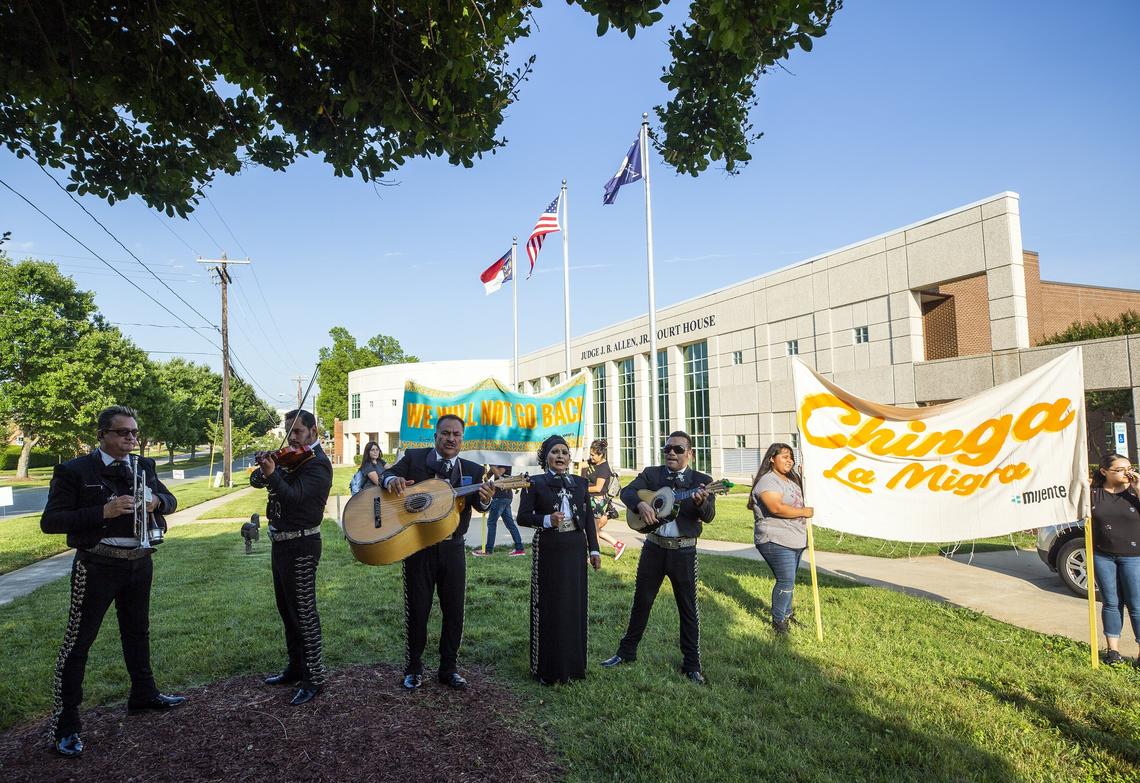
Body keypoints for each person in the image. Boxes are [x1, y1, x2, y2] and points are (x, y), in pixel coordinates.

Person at [40, 405, 187, 758]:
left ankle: (143, 694)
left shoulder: (144, 466)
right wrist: (101, 512)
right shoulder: (74, 470)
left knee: (138, 631)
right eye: (124, 433)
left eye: (134, 433)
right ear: (102, 435)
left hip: (140, 561)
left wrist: (155, 501)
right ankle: (66, 722)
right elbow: (51, 522)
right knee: (79, 641)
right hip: (97, 564)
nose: (132, 439)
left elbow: (171, 500)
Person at [382, 414, 494, 690]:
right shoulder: (414, 458)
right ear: (435, 436)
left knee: (453, 610)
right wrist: (392, 480)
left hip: (454, 548)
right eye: (445, 433)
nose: (451, 438)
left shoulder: (474, 470)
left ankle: (449, 668)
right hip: (418, 547)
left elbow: (480, 507)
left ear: (462, 439)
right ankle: (413, 668)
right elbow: (385, 474)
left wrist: (487, 500)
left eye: (456, 434)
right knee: (418, 610)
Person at [601, 431, 715, 684]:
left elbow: (708, 516)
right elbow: (627, 491)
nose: (671, 453)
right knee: (642, 601)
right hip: (653, 547)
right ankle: (626, 653)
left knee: (687, 608)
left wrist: (700, 503)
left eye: (678, 449)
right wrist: (640, 505)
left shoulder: (702, 481)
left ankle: (692, 664)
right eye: (667, 449)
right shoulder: (653, 474)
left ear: (690, 454)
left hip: (683, 550)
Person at [251, 409, 334, 706]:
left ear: (314, 431)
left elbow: (293, 497)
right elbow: (255, 482)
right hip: (282, 543)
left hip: (303, 543)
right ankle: (296, 666)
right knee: (286, 609)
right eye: (289, 431)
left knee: (304, 613)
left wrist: (274, 474)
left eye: (298, 431)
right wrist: (264, 467)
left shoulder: (319, 465)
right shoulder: (289, 458)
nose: (292, 437)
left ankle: (314, 677)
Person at [518, 435, 602, 683]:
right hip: (550, 549)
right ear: (546, 457)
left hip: (575, 549)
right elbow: (523, 517)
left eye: (564, 452)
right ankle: (548, 668)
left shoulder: (579, 483)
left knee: (573, 605)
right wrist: (546, 520)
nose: (561, 456)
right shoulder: (535, 483)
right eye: (555, 452)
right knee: (551, 605)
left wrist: (594, 550)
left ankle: (574, 666)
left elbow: (588, 519)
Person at [749, 442, 813, 635]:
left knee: (790, 581)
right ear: (771, 458)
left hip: (796, 539)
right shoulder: (768, 481)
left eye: (791, 457)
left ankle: (787, 614)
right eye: (784, 456)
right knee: (785, 581)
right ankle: (779, 623)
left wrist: (805, 475)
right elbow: (776, 507)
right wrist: (805, 512)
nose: (789, 460)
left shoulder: (790, 480)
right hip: (775, 539)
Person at [1089, 452, 1140, 667]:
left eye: (1128, 468)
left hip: (1134, 556)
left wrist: (1138, 489)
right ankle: (1113, 651)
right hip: (1103, 555)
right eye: (1119, 470)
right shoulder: (1094, 494)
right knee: (1110, 602)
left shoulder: (1134, 493)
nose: (1126, 473)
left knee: (1137, 604)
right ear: (1104, 472)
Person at [581, 438, 626, 560]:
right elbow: (583, 477)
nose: (591, 457)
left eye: (594, 455)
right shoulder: (590, 463)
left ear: (601, 454)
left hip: (597, 502)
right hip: (590, 500)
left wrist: (582, 488)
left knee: (593, 530)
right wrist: (583, 468)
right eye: (590, 454)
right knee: (594, 528)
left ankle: (594, 556)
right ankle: (618, 545)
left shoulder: (604, 468)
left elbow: (597, 488)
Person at [472, 464, 526, 556]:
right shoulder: (496, 463)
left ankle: (488, 550)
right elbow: (487, 477)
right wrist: (485, 473)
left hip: (500, 497)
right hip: (504, 497)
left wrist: (491, 464)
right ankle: (519, 548)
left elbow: (498, 474)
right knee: (510, 524)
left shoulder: (504, 461)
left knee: (491, 523)